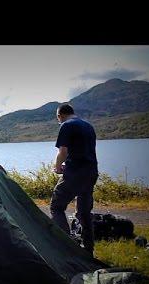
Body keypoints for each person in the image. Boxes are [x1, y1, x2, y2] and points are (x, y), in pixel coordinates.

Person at [50, 103, 98, 256]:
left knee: (56, 207)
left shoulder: (66, 125)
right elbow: (82, 152)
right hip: (91, 173)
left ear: (60, 115)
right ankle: (88, 251)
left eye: (58, 118)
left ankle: (67, 248)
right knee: (84, 213)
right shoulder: (88, 126)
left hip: (74, 174)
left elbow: (63, 152)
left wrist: (58, 167)